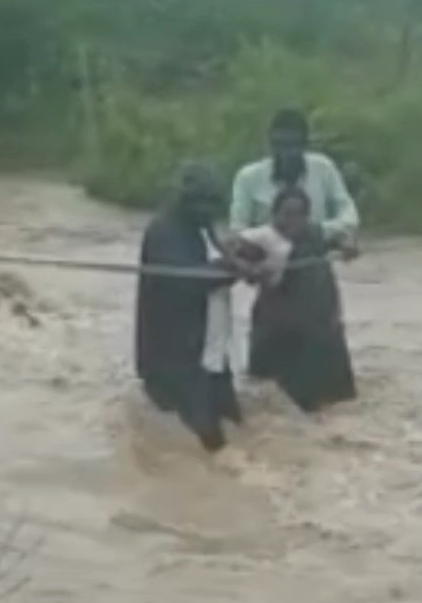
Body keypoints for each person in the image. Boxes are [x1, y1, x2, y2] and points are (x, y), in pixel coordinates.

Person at [135, 161, 242, 452]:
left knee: (238, 429)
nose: (209, 210)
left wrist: (241, 259)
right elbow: (186, 281)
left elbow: (221, 260)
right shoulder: (164, 232)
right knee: (213, 447)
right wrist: (230, 269)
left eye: (213, 204)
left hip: (212, 354)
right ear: (186, 199)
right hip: (179, 359)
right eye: (202, 203)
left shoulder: (201, 226)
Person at [237, 187, 356, 413]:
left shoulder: (314, 234)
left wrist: (348, 246)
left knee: (333, 403)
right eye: (287, 214)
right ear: (274, 214)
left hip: (319, 328)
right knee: (274, 399)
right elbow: (228, 253)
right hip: (278, 330)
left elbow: (342, 238)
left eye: (299, 214)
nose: (293, 221)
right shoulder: (261, 238)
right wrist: (248, 269)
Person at [230, 108, 361, 256]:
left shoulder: (324, 168)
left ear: (305, 145)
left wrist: (316, 231)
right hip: (268, 263)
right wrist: (273, 237)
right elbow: (238, 230)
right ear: (270, 144)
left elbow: (349, 217)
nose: (285, 152)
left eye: (293, 145)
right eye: (278, 145)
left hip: (313, 260)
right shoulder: (248, 177)